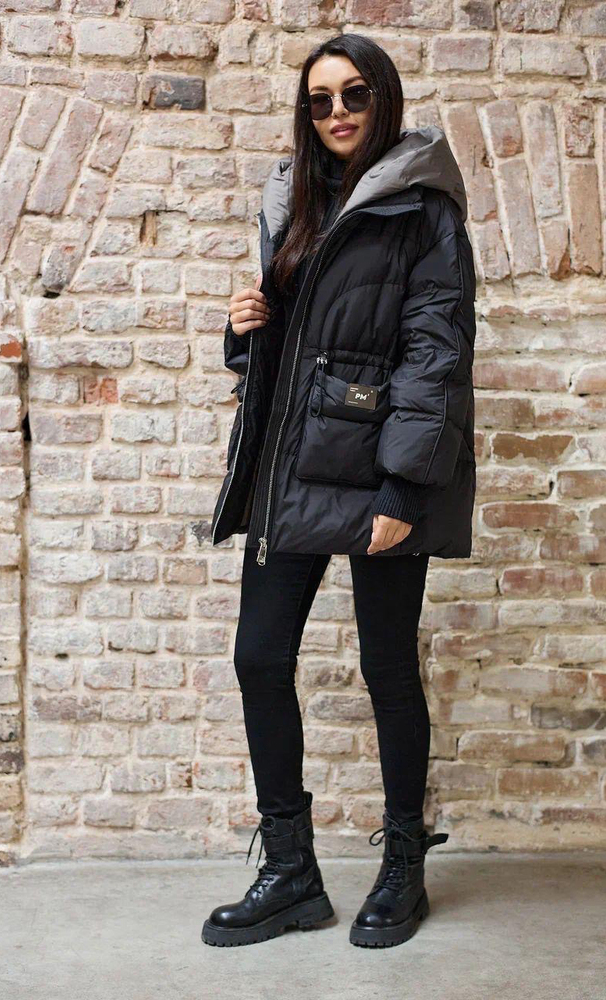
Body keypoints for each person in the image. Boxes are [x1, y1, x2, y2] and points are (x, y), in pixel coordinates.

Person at [202, 32, 477, 949]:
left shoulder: (423, 210)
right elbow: (294, 351)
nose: (337, 113)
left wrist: (402, 488)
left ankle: (403, 866)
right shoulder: (297, 200)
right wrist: (247, 328)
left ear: (383, 96)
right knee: (258, 658)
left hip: (383, 472)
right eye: (319, 100)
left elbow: (434, 356)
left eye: (354, 93)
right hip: (294, 464)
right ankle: (291, 873)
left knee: (387, 668)